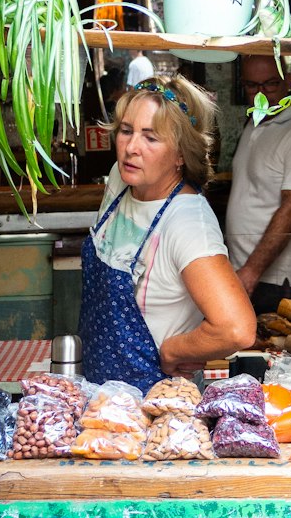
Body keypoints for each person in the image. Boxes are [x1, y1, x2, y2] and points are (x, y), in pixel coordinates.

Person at [79, 74, 257, 392]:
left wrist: (174, 350)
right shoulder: (120, 181)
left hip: (157, 406)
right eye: (126, 131)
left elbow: (236, 329)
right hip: (104, 401)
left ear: (180, 154)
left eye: (151, 137)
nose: (131, 148)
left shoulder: (187, 222)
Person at [225, 55, 291, 315]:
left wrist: (251, 271)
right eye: (253, 86)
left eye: (270, 85)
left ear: (288, 82)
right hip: (246, 272)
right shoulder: (256, 120)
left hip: (277, 282)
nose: (261, 93)